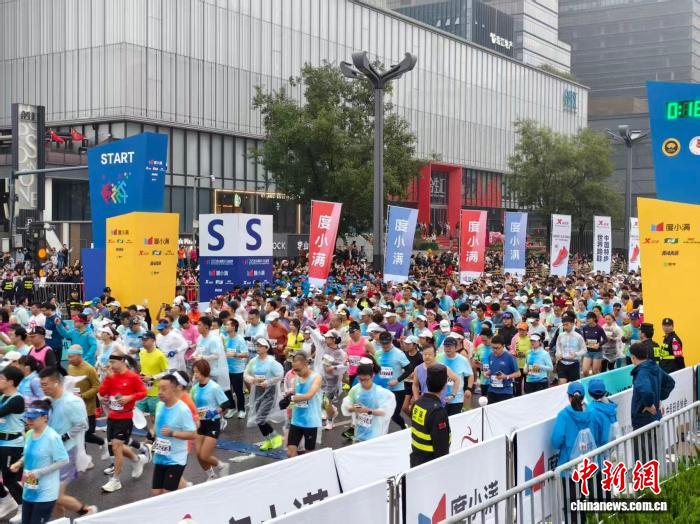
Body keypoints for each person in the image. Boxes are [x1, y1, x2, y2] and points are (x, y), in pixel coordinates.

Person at [38, 367, 97, 518]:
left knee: (55, 495)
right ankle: (61, 520)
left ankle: (87, 511)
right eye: (41, 384)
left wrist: (64, 437)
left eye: (45, 384)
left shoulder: (71, 402)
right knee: (53, 498)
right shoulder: (48, 401)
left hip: (66, 453)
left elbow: (83, 425)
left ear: (56, 383)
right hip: (50, 453)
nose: (42, 388)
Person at [10, 399, 69, 524]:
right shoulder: (29, 434)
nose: (29, 421)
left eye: (33, 418)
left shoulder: (52, 437)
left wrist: (39, 472)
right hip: (28, 490)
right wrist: (19, 463)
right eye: (28, 417)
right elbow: (28, 454)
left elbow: (63, 460)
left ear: (44, 417)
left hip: (45, 493)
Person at [98, 351, 148, 493]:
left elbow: (143, 392)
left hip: (125, 417)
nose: (110, 365)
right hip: (112, 416)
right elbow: (102, 392)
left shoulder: (132, 377)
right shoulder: (111, 376)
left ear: (122, 361)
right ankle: (137, 459)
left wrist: (130, 397)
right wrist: (107, 378)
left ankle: (115, 480)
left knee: (116, 447)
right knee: (118, 447)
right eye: (110, 362)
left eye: (113, 362)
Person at [551, 382, 598, 524]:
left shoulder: (564, 415)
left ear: (569, 397)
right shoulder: (591, 413)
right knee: (583, 503)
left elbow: (556, 441)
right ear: (583, 397)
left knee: (571, 506)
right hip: (587, 465)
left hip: (568, 468)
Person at [151, 374, 197, 496]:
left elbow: (193, 434)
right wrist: (152, 432)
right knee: (156, 493)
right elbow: (157, 424)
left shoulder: (182, 409)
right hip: (160, 455)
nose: (160, 392)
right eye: (159, 388)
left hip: (175, 458)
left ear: (174, 389)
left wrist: (173, 433)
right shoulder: (159, 405)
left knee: (167, 494)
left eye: (164, 389)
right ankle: (186, 489)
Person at [190, 359, 230, 480]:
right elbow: (190, 405)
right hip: (199, 423)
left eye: (198, 371)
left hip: (212, 423)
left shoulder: (214, 387)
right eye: (194, 372)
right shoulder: (194, 388)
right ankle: (211, 475)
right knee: (198, 454)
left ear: (205, 371)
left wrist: (215, 412)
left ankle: (222, 465)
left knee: (204, 455)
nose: (196, 374)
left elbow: (226, 403)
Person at [244, 338, 284, 450]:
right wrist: (252, 380)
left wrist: (268, 382)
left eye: (261, 346)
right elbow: (246, 374)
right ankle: (269, 440)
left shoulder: (271, 362)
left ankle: (275, 437)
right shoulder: (253, 361)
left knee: (260, 418)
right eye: (257, 345)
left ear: (266, 348)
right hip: (257, 391)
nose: (258, 348)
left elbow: (280, 375)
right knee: (259, 418)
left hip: (269, 392)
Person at [341, 361, 395, 442]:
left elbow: (386, 412)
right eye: (360, 379)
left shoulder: (381, 392)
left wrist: (368, 411)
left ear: (372, 376)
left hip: (375, 434)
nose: (363, 382)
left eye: (366, 379)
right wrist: (353, 408)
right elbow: (347, 405)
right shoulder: (355, 389)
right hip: (359, 433)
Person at [66, 346, 105, 455]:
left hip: (87, 409)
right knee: (79, 436)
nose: (69, 359)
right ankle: (83, 459)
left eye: (71, 357)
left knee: (86, 434)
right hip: (74, 408)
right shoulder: (70, 367)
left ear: (79, 355)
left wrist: (83, 396)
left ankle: (103, 442)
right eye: (68, 357)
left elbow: (97, 387)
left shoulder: (89, 369)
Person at [409, 364, 451, 468]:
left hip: (416, 459)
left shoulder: (417, 403)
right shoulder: (437, 411)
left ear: (427, 382)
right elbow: (441, 447)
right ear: (444, 385)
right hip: (430, 464)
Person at [586, 378, 619, 502]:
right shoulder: (610, 407)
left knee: (596, 490)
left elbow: (591, 437)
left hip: (596, 458)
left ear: (589, 393)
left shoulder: (592, 411)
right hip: (608, 454)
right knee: (606, 486)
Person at [285, 352, 322, 458]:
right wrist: (289, 406)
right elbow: (294, 394)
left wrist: (292, 398)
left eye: (298, 369)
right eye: (294, 370)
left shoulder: (316, 377)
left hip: (310, 421)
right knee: (290, 453)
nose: (296, 372)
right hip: (296, 420)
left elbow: (309, 395)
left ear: (306, 364)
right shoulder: (296, 378)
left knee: (309, 454)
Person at [0, 367, 25, 520]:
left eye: (1, 378)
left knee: (10, 479)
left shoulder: (17, 399)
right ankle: (5, 500)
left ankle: (23, 507)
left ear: (10, 382)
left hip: (12, 444)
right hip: (1, 441)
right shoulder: (3, 396)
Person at [373, 330, 411, 429]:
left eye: (387, 343)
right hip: (382, 389)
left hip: (397, 389)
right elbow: (376, 369)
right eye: (383, 343)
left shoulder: (399, 354)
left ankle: (403, 427)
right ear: (379, 342)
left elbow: (409, 369)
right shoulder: (377, 353)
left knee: (394, 414)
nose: (385, 346)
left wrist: (397, 380)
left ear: (391, 341)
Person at [137, 331, 169, 441]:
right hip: (143, 390)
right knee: (136, 413)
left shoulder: (160, 355)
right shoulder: (141, 353)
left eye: (146, 340)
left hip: (155, 391)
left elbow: (167, 372)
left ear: (153, 340)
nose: (143, 342)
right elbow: (143, 368)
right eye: (142, 340)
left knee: (154, 417)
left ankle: (156, 438)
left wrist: (152, 377)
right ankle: (150, 433)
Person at [436, 337, 472, 415]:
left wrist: (469, 389)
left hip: (457, 398)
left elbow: (470, 375)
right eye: (446, 346)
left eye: (450, 346)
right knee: (442, 420)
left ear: (456, 347)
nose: (447, 348)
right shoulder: (438, 357)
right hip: (441, 396)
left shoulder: (463, 360)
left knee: (454, 420)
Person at [222, 318, 248, 419]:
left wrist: (234, 354)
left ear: (233, 327)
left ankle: (241, 410)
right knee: (227, 390)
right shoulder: (225, 338)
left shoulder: (240, 339)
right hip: (226, 369)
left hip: (237, 370)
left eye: (228, 325)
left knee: (238, 391)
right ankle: (232, 408)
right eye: (225, 325)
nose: (225, 326)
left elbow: (246, 354)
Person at [483, 334, 520, 404]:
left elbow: (518, 373)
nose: (494, 350)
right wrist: (487, 373)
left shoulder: (509, 357)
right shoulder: (491, 356)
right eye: (493, 347)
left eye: (497, 348)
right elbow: (492, 369)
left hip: (505, 391)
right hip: (492, 390)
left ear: (503, 346)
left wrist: (506, 376)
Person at [555, 313, 586, 384]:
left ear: (572, 324)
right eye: (563, 325)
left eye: (567, 325)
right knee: (562, 385)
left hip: (574, 363)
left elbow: (584, 350)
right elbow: (558, 346)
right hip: (562, 363)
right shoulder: (561, 335)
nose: (565, 327)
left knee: (573, 385)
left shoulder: (578, 336)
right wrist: (558, 353)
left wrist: (576, 354)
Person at [580, 312, 608, 376]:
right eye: (586, 318)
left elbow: (605, 339)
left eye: (589, 318)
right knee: (585, 371)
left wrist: (599, 344)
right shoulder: (584, 328)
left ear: (594, 319)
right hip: (588, 351)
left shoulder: (599, 328)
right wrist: (585, 342)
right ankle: (587, 381)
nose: (587, 319)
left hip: (597, 352)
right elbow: (584, 338)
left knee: (595, 371)